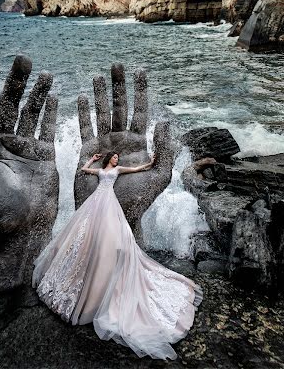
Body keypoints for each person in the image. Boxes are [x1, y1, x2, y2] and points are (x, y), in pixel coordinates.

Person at [32, 150, 203, 360]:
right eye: (114, 158)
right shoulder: (101, 170)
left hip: (109, 204)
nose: (116, 160)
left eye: (117, 159)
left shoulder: (118, 170)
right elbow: (84, 169)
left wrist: (150, 162)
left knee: (111, 235)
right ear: (108, 159)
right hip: (95, 203)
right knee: (82, 235)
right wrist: (92, 160)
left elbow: (137, 169)